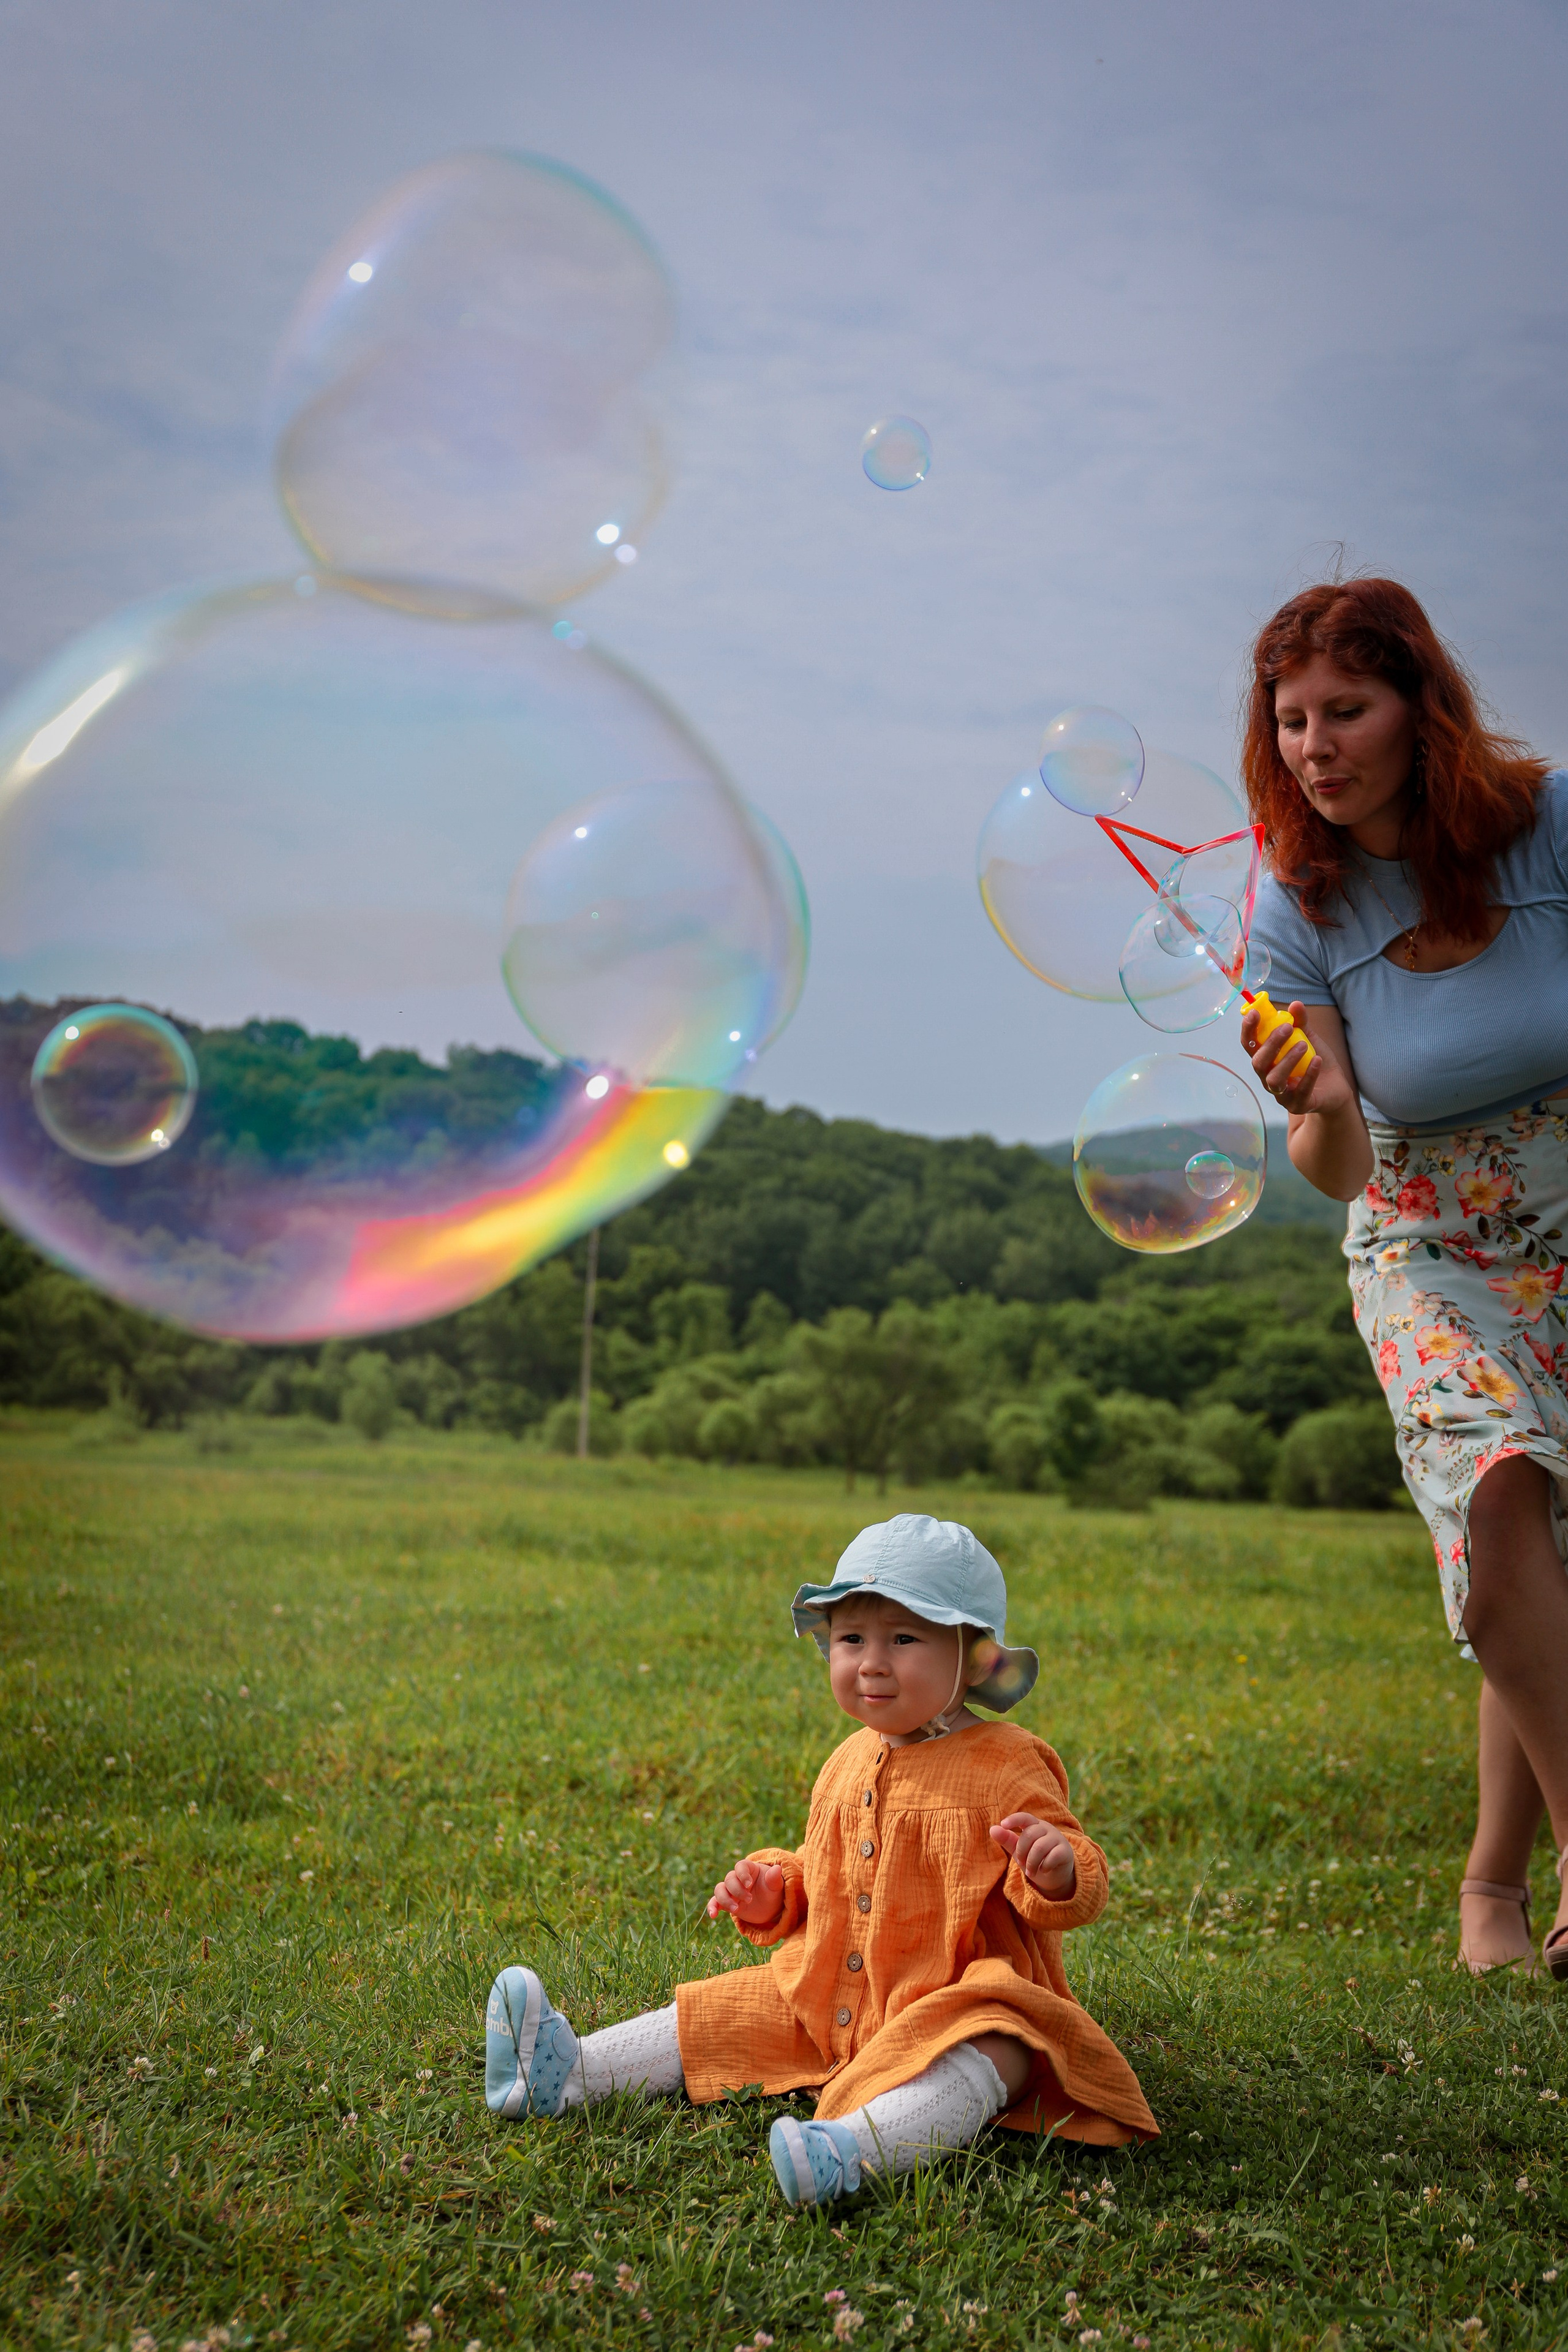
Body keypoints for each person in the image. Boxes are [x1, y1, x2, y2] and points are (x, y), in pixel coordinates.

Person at [481, 1513, 1156, 2204]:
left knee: (999, 2047)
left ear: (973, 1655)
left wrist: (1057, 1868)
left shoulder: (1007, 1760)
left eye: (903, 1638)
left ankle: (853, 2153)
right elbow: (824, 1868)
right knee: (728, 2007)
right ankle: (566, 2073)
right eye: (850, 1638)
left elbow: (1080, 1873)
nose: (871, 1661)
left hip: (954, 1996)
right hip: (831, 1992)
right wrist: (777, 1891)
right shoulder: (845, 1761)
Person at [1242, 576, 1568, 1979]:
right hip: (1424, 1240)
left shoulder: (1549, 825)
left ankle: (1490, 1887)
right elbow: (1334, 1159)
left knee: (1540, 1554)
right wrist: (1308, 1100)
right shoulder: (1288, 904)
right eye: (1289, 717)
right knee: (1493, 1481)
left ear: (1417, 706)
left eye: (1342, 709)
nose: (1312, 744)